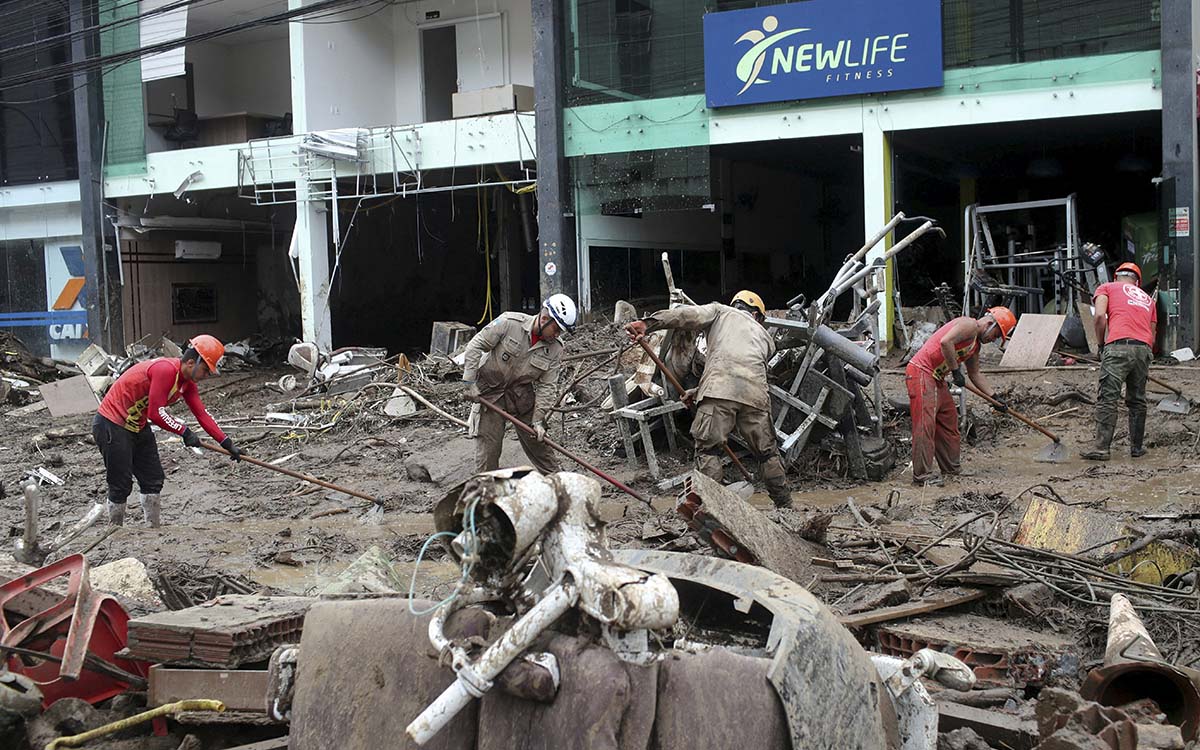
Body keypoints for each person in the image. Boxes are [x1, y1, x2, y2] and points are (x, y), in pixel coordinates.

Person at [624, 291, 792, 508]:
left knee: (708, 449)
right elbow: (741, 370)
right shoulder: (766, 339)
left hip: (718, 391)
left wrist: (649, 323)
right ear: (758, 316)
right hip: (756, 397)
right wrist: (697, 392)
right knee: (767, 454)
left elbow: (686, 317)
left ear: (735, 305)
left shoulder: (721, 311)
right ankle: (786, 506)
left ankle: (715, 507)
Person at [93, 334, 241, 527]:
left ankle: (153, 529)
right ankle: (114, 531)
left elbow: (202, 415)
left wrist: (228, 444)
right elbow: (156, 413)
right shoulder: (165, 370)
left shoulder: (187, 384)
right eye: (205, 370)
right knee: (120, 484)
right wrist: (185, 432)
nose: (206, 376)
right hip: (111, 423)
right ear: (190, 362)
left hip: (137, 424)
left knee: (153, 479)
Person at [462, 295, 575, 473]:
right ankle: (487, 494)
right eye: (556, 329)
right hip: (490, 394)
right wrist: (469, 382)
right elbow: (476, 345)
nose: (557, 335)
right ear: (545, 318)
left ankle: (559, 488)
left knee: (540, 445)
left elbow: (548, 386)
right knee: (488, 453)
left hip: (521, 396)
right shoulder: (509, 323)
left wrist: (538, 419)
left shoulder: (555, 348)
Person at [906, 308, 1015, 486]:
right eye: (996, 335)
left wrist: (995, 398)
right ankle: (922, 477)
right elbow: (945, 342)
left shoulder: (975, 346)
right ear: (990, 324)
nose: (993, 340)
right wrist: (956, 371)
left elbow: (975, 374)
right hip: (922, 371)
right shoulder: (969, 325)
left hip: (936, 377)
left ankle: (951, 469)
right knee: (925, 425)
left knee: (949, 421)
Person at [1081, 262, 1156, 461]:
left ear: (1116, 277)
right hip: (1143, 349)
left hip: (1118, 346)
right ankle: (1137, 448)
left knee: (1108, 397)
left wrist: (1100, 345)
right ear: (1137, 282)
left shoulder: (1106, 287)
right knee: (1137, 400)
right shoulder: (1148, 299)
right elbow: (1153, 333)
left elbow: (1099, 317)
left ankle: (1101, 448)